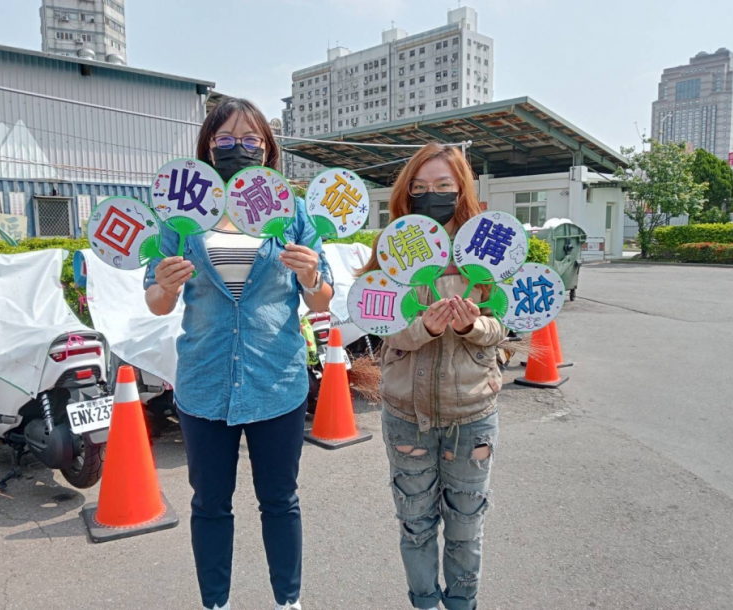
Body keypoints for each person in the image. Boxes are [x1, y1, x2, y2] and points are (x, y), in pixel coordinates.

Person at [144, 98, 334, 610]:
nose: (237, 149)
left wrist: (311, 274)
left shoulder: (291, 211)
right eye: (224, 140)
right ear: (207, 148)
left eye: (251, 141)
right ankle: (215, 603)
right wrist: (163, 284)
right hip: (204, 382)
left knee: (279, 501)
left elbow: (321, 297)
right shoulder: (181, 217)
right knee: (209, 504)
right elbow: (157, 302)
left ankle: (287, 602)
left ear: (268, 150)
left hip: (277, 381)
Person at [359, 143, 506, 610]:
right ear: (406, 194)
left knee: (466, 528)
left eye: (443, 186)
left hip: (473, 413)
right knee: (416, 525)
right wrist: (423, 327)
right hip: (407, 414)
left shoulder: (486, 246)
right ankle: (423, 602)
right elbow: (376, 318)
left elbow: (501, 325)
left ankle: (463, 603)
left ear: (462, 189)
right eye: (419, 188)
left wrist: (471, 325)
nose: (431, 196)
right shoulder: (394, 247)